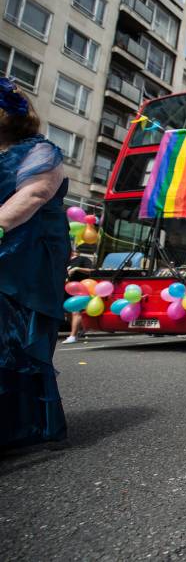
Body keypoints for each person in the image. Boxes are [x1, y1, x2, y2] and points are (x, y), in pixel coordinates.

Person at [0, 77, 69, 449]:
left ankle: (16, 424)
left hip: (28, 255)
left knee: (12, 337)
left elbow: (35, 192)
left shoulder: (39, 150)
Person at [62, 249, 94, 344]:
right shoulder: (65, 261)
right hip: (67, 288)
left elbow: (92, 270)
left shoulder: (82, 259)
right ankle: (80, 329)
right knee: (68, 313)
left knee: (76, 311)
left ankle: (73, 336)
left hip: (80, 289)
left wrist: (76, 269)